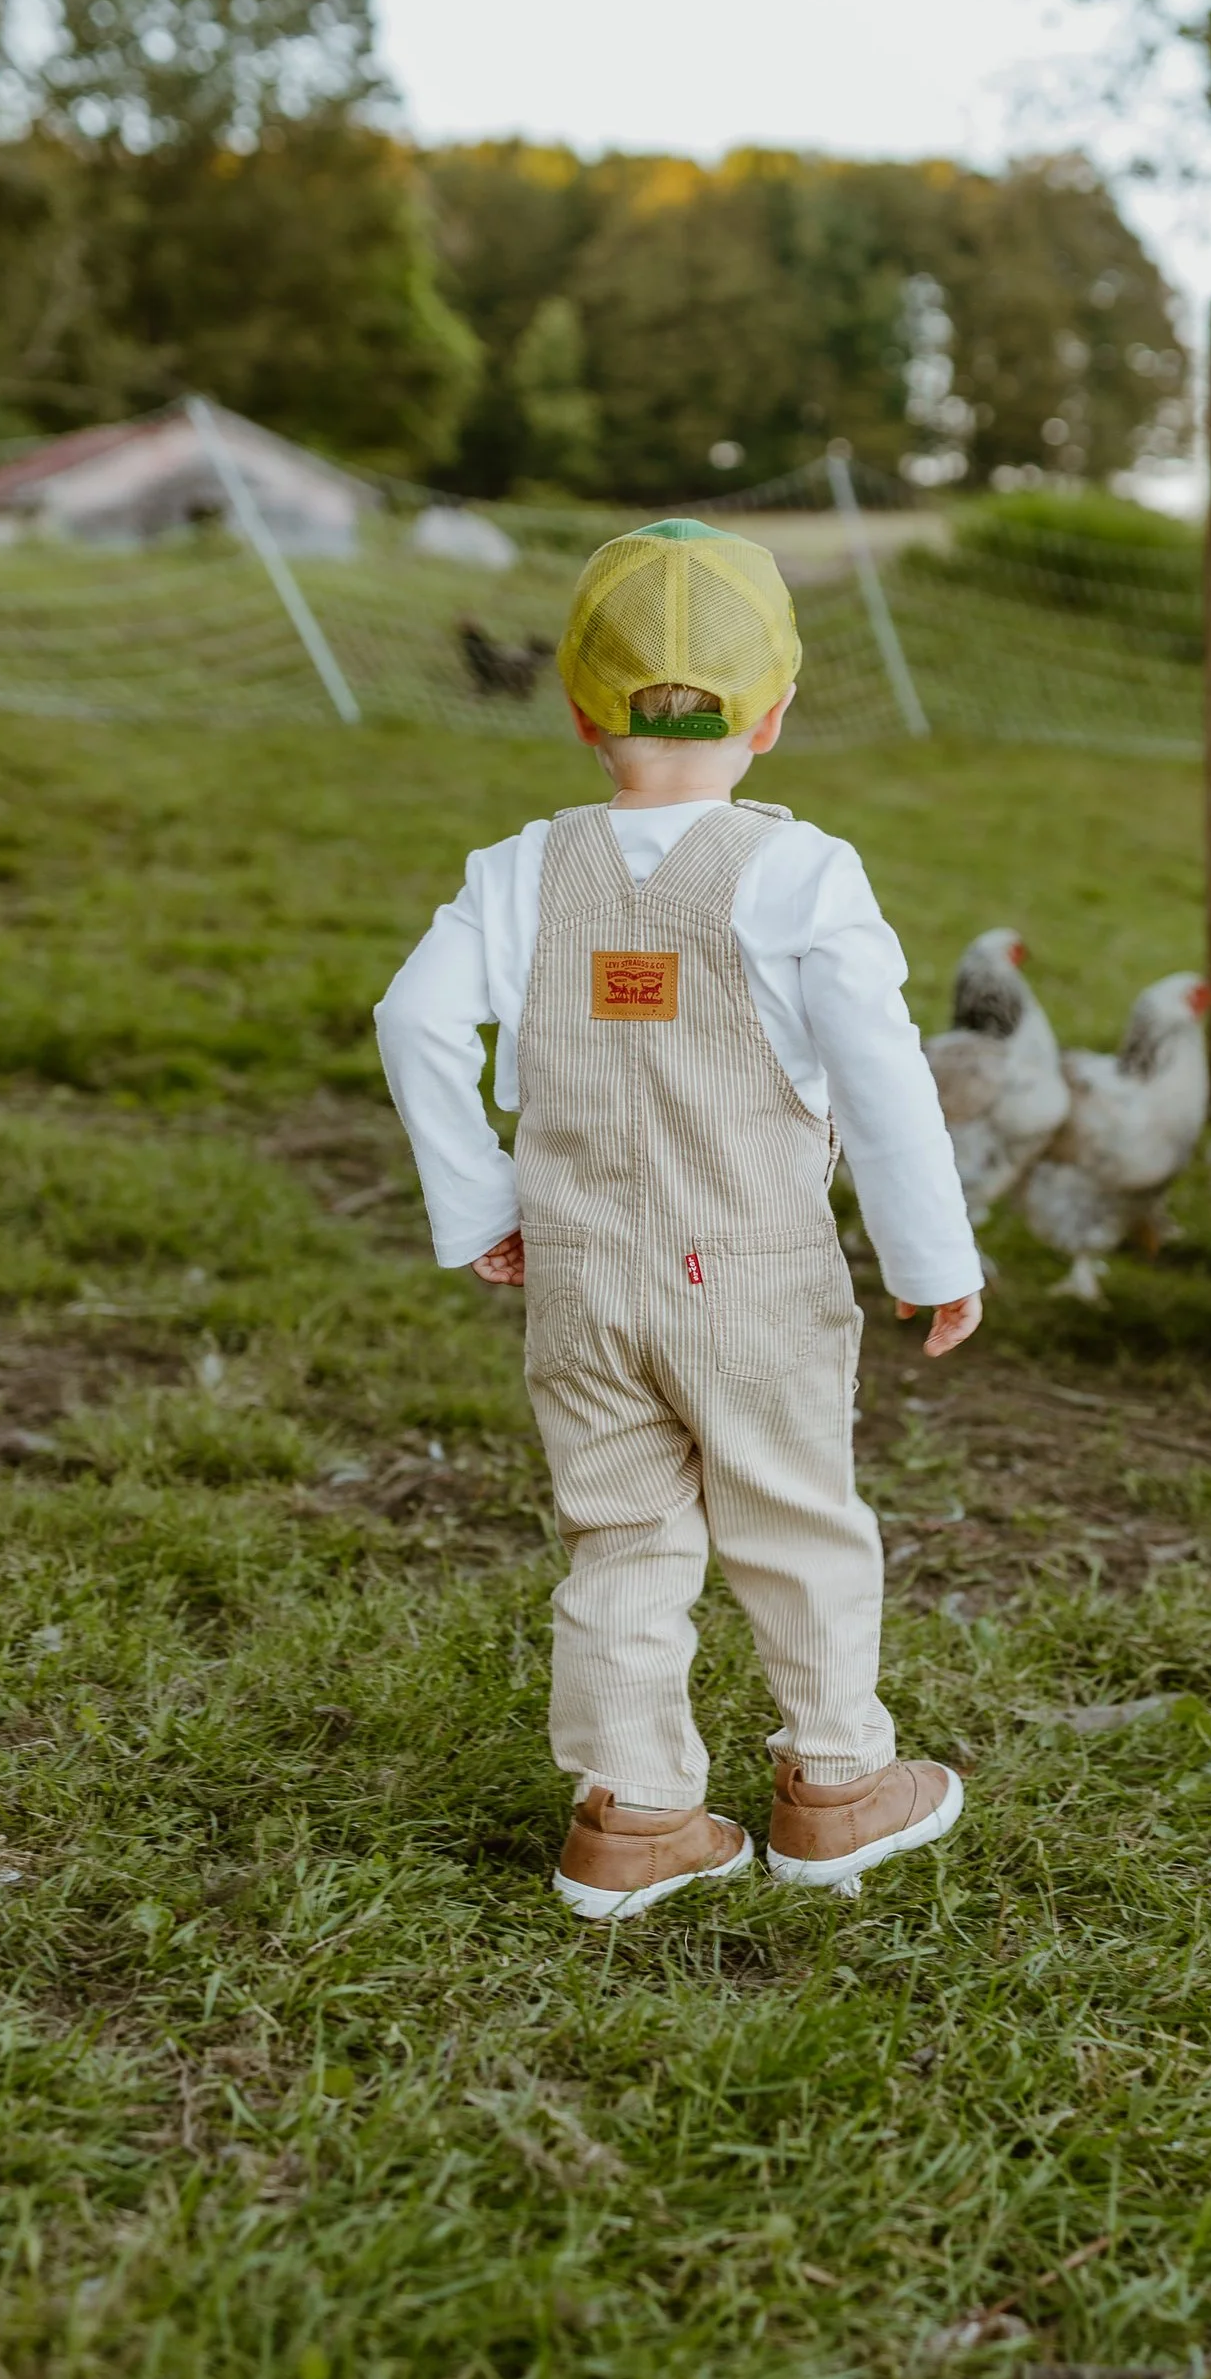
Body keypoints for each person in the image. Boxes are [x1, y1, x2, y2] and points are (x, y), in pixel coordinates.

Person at [375, 518, 983, 1922]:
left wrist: (483, 1202)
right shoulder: (803, 873)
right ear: (775, 711)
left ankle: (633, 1812)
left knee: (623, 1536)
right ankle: (833, 1784)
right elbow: (884, 1069)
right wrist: (930, 1254)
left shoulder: (517, 871)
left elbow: (410, 1019)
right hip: (756, 1278)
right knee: (796, 1519)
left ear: (582, 709)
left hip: (582, 1279)